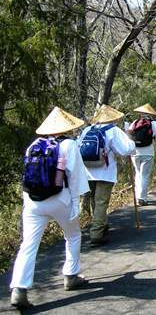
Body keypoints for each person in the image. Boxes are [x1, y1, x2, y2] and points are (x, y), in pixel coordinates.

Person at [10, 107, 90, 309]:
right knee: (72, 235)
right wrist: (75, 203)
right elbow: (75, 178)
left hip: (33, 202)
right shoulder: (69, 144)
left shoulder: (33, 145)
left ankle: (19, 289)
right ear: (67, 128)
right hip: (59, 199)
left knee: (28, 244)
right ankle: (71, 276)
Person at [79, 105, 135, 247]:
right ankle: (96, 234)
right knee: (101, 202)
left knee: (94, 201)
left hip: (88, 171)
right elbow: (125, 150)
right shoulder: (113, 130)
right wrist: (129, 137)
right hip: (105, 171)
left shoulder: (88, 129)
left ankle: (102, 227)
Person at [127, 103, 156, 206]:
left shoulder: (134, 123)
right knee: (144, 176)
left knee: (138, 174)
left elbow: (129, 137)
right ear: (150, 114)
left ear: (140, 114)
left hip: (134, 153)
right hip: (148, 153)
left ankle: (137, 197)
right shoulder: (154, 124)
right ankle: (142, 198)